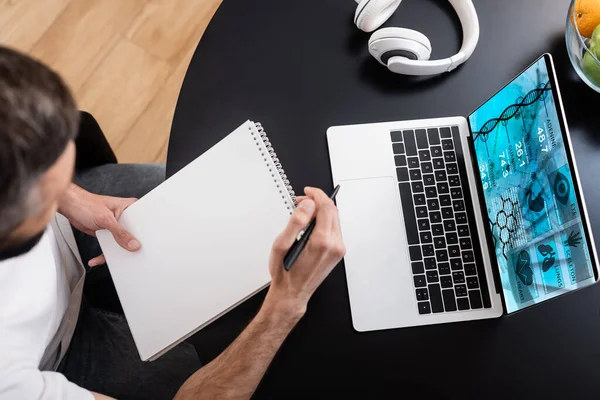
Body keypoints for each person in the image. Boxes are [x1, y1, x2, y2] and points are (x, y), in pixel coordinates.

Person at [0, 46, 346, 400]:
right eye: (54, 182)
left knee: (221, 197)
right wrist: (286, 305)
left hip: (65, 229)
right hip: (61, 357)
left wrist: (70, 197)